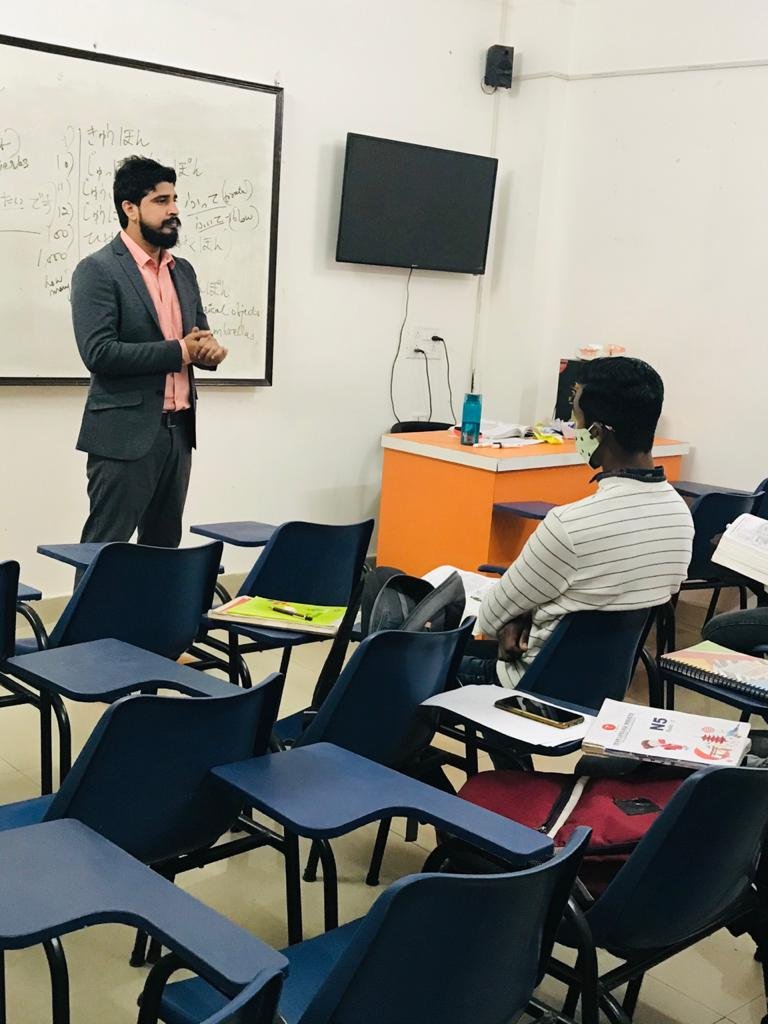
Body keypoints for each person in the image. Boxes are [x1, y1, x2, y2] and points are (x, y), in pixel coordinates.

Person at [470, 356, 695, 687]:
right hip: (602, 694)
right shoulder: (680, 517)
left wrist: (517, 615)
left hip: (526, 689)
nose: (573, 431)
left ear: (597, 433)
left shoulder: (569, 527)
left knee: (404, 644)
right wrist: (524, 613)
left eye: (575, 419)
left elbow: (489, 619)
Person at [71, 155, 228, 548]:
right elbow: (100, 353)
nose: (173, 210)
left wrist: (208, 352)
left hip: (178, 434)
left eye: (174, 199)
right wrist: (181, 351)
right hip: (124, 436)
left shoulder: (183, 270)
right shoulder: (98, 270)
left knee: (162, 550)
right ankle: (92, 614)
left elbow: (197, 336)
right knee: (104, 551)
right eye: (161, 200)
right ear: (129, 208)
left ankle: (153, 614)